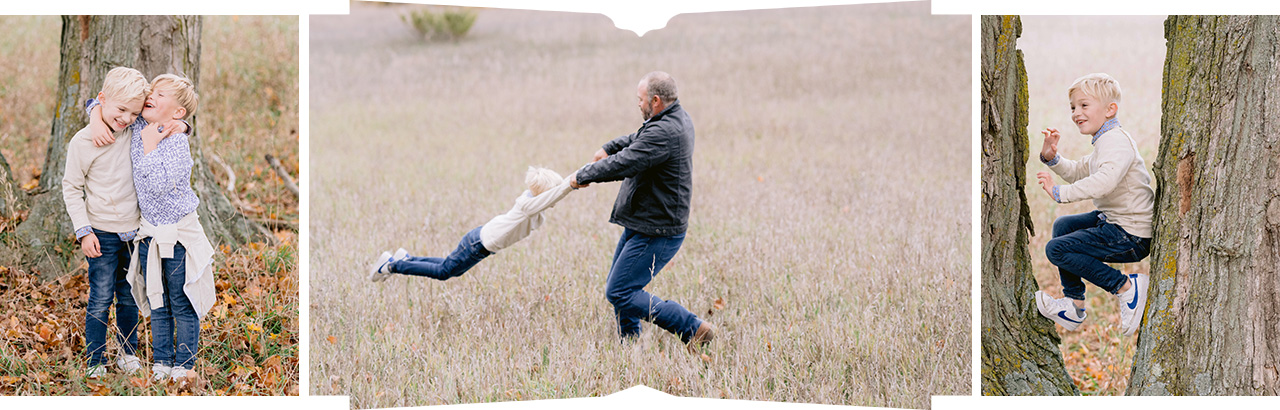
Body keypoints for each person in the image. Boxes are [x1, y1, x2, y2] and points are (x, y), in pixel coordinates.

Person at [86, 73, 216, 383]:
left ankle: (184, 365)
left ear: (177, 113)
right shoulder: (139, 125)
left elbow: (159, 186)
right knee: (157, 300)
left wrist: (149, 146)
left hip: (179, 237)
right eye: (152, 91)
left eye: (160, 94)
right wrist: (93, 118)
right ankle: (161, 362)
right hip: (149, 236)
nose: (151, 96)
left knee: (181, 301)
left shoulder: (176, 143)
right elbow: (100, 105)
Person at [571, 71, 713, 351]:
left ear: (656, 101)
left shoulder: (665, 131)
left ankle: (693, 328)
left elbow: (626, 163)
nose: (638, 104)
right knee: (622, 287)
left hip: (657, 230)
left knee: (620, 291)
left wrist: (583, 175)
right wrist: (608, 147)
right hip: (646, 222)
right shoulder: (674, 118)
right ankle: (630, 344)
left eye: (641, 99)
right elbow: (637, 138)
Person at [1033, 73, 1154, 336]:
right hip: (1115, 222)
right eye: (1073, 107)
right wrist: (1053, 158)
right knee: (1063, 226)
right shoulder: (1104, 141)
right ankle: (1074, 306)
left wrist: (1060, 193)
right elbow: (1080, 170)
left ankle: (1125, 287)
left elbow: (1104, 182)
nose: (1076, 113)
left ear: (1110, 109)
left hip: (1131, 234)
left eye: (1084, 105)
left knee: (1057, 249)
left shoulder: (1116, 142)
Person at [62, 67, 150, 379]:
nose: (126, 118)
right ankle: (95, 360)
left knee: (129, 296)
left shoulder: (137, 132)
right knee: (100, 297)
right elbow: (71, 188)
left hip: (134, 232)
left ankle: (128, 352)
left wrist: (98, 113)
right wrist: (83, 231)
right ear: (103, 100)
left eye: (133, 112)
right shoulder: (84, 142)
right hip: (99, 232)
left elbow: (172, 121)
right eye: (120, 110)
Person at [368, 166, 575, 281]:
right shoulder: (527, 206)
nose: (555, 201)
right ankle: (392, 266)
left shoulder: (531, 206)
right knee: (444, 272)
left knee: (448, 267)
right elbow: (549, 197)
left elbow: (547, 198)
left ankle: (406, 258)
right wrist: (569, 186)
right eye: (552, 196)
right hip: (478, 244)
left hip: (480, 243)